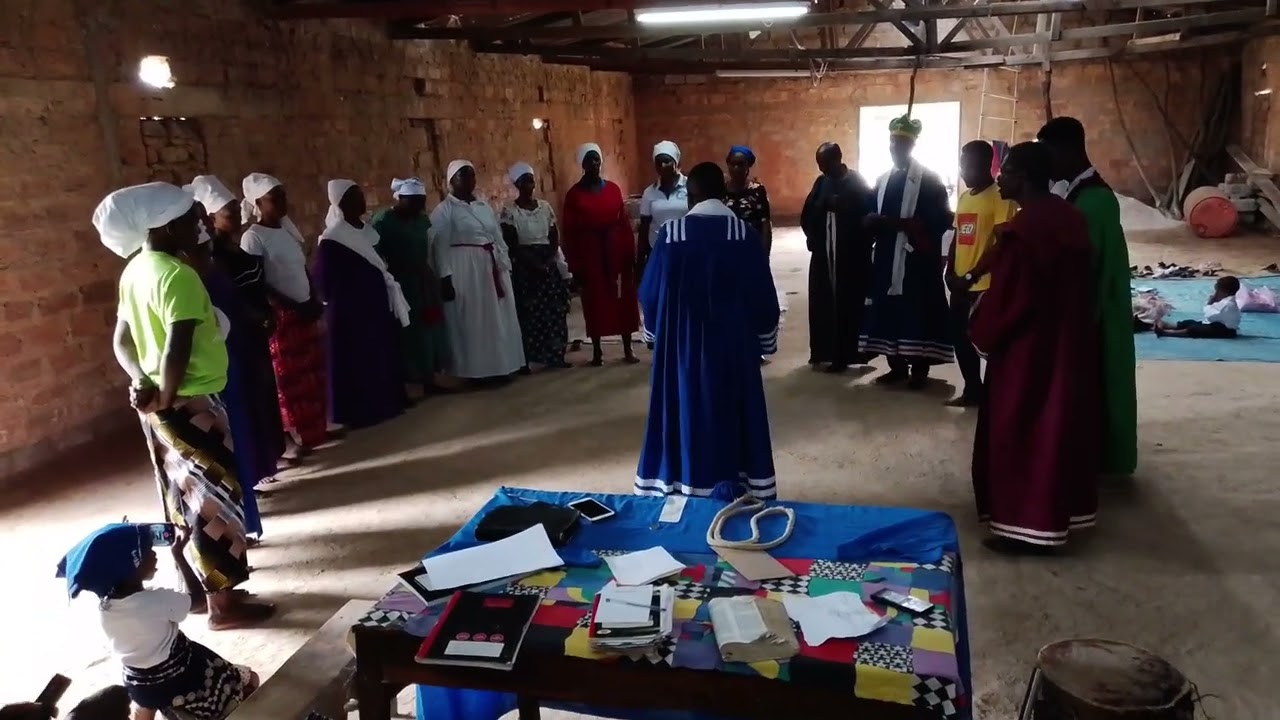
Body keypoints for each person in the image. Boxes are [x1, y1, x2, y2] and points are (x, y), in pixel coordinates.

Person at [94, 182, 272, 629]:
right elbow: (178, 344)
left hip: (160, 404)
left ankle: (196, 592)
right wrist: (169, 396)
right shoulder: (178, 275)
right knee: (214, 504)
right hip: (192, 399)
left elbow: (121, 340)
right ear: (167, 226)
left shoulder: (135, 271)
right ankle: (224, 607)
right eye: (191, 217)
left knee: (181, 498)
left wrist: (143, 383)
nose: (200, 223)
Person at [970, 142, 1099, 554]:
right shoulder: (1069, 218)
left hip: (1028, 347)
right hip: (1068, 341)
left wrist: (981, 328)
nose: (999, 176)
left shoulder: (1025, 231)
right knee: (1059, 427)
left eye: (1005, 170)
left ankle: (1027, 525)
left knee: (1022, 428)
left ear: (1022, 176)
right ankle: (1062, 514)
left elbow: (1013, 298)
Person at [635, 162, 780, 500]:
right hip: (734, 351)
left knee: (684, 410)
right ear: (723, 194)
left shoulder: (671, 235)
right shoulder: (743, 235)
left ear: (691, 196)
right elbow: (764, 299)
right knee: (733, 414)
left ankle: (684, 485)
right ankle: (737, 485)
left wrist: (657, 336)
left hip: (681, 351)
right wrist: (763, 341)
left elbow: (650, 294)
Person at [56, 523, 260, 719]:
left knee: (148, 693)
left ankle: (149, 710)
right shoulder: (156, 601)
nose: (154, 553)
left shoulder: (106, 608)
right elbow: (198, 600)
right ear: (129, 567)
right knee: (250, 680)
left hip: (140, 686)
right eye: (147, 551)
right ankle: (222, 610)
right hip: (183, 677)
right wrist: (179, 556)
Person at [1037, 116, 1137, 476]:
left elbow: (1086, 268)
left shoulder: (1095, 200)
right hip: (1086, 306)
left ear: (1066, 150)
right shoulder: (1076, 192)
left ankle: (1094, 458)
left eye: (1048, 153)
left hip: (1093, 310)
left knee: (1094, 383)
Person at [182, 197, 267, 539]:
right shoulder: (188, 277)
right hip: (209, 373)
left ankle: (242, 516)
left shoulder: (209, 268)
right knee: (216, 460)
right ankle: (233, 527)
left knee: (235, 444)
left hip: (227, 361)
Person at [240, 173, 332, 454]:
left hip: (304, 308)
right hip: (282, 314)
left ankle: (315, 431)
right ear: (257, 202)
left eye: (282, 195)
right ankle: (293, 437)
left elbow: (300, 267)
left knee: (311, 372)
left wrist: (313, 297)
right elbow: (260, 282)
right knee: (289, 378)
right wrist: (293, 304)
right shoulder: (253, 237)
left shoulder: (286, 231)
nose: (282, 202)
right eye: (274, 197)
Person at [861, 116, 955, 388]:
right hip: (887, 255)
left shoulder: (929, 180)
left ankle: (920, 369)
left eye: (901, 143)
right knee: (888, 309)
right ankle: (896, 365)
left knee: (917, 310)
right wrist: (868, 221)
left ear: (911, 146)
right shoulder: (882, 179)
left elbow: (940, 219)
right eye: (892, 142)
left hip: (916, 259)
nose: (895, 148)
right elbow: (870, 208)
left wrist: (899, 224)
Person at [315, 179, 410, 427]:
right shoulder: (333, 238)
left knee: (381, 353)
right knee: (359, 359)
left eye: (361, 195)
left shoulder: (367, 231)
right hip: (351, 310)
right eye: (354, 197)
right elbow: (325, 279)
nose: (361, 201)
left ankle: (388, 401)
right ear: (341, 203)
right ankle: (362, 411)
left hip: (375, 304)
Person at [429, 160, 526, 380]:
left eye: (472, 175)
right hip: (466, 270)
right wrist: (445, 277)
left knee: (498, 318)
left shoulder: (482, 206)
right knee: (474, 320)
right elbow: (440, 246)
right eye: (464, 176)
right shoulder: (445, 211)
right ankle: (477, 371)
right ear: (452, 180)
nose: (470, 180)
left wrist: (503, 260)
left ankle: (502, 365)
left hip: (490, 265)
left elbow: (496, 234)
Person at [945, 141, 1018, 407]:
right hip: (960, 284)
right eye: (962, 164)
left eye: (969, 164)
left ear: (987, 164)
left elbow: (1001, 245)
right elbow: (956, 237)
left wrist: (972, 275)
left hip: (983, 284)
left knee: (988, 343)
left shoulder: (1001, 197)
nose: (964, 170)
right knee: (961, 341)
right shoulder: (965, 197)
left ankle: (994, 395)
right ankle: (972, 390)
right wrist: (951, 270)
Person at [371, 178, 456, 397]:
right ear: (402, 199)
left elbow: (429, 245)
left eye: (422, 201)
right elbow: (375, 251)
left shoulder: (420, 220)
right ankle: (409, 381)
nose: (420, 207)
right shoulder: (384, 221)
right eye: (415, 202)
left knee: (429, 327)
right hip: (401, 280)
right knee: (408, 333)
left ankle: (430, 377)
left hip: (423, 279)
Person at [560, 143, 641, 365]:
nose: (594, 164)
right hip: (591, 254)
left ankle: (627, 348)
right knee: (594, 302)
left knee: (623, 300)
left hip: (615, 252)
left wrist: (628, 254)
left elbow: (623, 223)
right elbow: (570, 232)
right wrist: (575, 266)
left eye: (597, 159)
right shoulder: (574, 195)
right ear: (582, 165)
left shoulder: (613, 189)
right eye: (589, 160)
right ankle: (597, 352)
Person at [801, 142, 874, 372]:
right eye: (819, 165)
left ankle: (847, 354)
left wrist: (845, 208)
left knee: (849, 303)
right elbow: (808, 213)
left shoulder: (857, 182)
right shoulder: (821, 183)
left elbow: (868, 213)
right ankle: (824, 352)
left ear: (838, 159)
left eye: (825, 164)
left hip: (850, 256)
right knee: (823, 302)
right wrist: (823, 205)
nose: (822, 169)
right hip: (825, 254)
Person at [500, 162, 572, 370]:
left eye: (530, 180)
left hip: (547, 262)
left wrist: (549, 260)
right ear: (517, 185)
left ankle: (555, 355)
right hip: (525, 266)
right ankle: (528, 359)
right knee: (529, 313)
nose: (529, 185)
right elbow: (511, 243)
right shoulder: (510, 211)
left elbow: (553, 235)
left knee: (554, 312)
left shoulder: (544, 207)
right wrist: (533, 264)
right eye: (524, 181)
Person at [637, 140, 689, 272]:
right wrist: (640, 261)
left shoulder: (690, 187)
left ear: (675, 162)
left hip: (686, 251)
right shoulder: (649, 193)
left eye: (667, 161)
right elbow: (644, 228)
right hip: (657, 252)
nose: (662, 166)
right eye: (658, 162)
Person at [724, 145, 774, 256]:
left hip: (752, 248)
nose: (736, 168)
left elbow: (765, 223)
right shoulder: (721, 190)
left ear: (748, 166)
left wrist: (765, 254)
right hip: (727, 249)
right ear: (728, 165)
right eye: (733, 164)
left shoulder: (757, 190)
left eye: (740, 164)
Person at [1154, 276, 1242, 338]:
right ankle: (1167, 325)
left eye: (1218, 291)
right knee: (1190, 322)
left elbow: (1210, 316)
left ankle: (1166, 333)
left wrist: (1209, 303)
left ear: (1225, 293)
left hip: (1225, 331)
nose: (1216, 293)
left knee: (1195, 329)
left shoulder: (1227, 304)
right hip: (1216, 324)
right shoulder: (1225, 301)